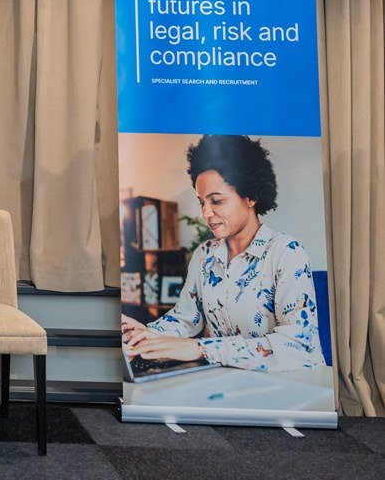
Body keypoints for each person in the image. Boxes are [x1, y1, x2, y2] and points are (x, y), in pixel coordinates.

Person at [120, 134, 322, 371]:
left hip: (291, 382)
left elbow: (299, 346)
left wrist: (201, 348)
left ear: (251, 197)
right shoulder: (204, 255)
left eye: (216, 201)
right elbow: (186, 318)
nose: (205, 213)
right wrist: (144, 334)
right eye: (202, 202)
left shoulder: (287, 253)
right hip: (229, 380)